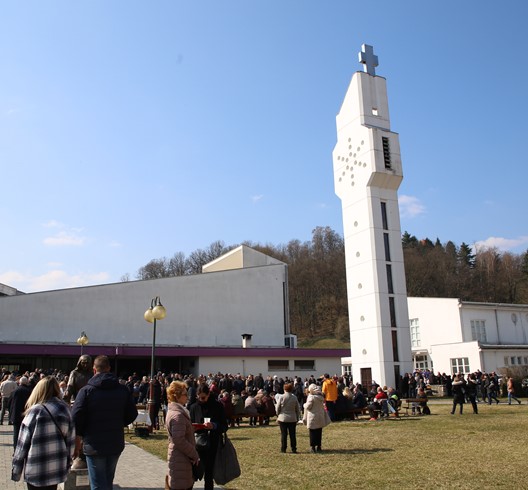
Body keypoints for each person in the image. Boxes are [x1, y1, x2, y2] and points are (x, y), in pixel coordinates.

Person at [71, 355, 138, 490]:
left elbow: (76, 416)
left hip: (93, 443)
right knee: (107, 480)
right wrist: (119, 423)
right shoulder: (122, 389)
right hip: (114, 441)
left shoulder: (86, 391)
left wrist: (81, 434)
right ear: (109, 369)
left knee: (97, 483)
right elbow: (132, 413)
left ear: (94, 370)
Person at [11, 376, 75, 490]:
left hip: (36, 469)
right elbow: (71, 441)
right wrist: (68, 464)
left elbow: (21, 446)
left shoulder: (34, 411)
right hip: (56, 468)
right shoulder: (66, 410)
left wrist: (16, 471)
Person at [189, 383, 228, 490]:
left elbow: (224, 426)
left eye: (203, 397)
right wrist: (193, 428)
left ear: (208, 394)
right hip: (197, 443)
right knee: (193, 472)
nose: (201, 400)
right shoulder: (193, 407)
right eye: (199, 397)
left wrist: (214, 426)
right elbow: (189, 425)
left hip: (212, 444)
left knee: (209, 473)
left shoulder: (217, 406)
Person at [166, 381, 200, 490]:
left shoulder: (176, 411)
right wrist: (194, 453)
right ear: (177, 396)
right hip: (180, 458)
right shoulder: (178, 415)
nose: (188, 397)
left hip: (180, 457)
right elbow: (179, 439)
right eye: (185, 394)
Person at [303, 383, 329, 453]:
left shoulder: (311, 397)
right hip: (320, 415)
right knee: (319, 431)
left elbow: (308, 406)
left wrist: (304, 405)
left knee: (312, 432)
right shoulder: (320, 396)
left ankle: (313, 447)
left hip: (313, 416)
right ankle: (319, 446)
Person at [276, 382, 301, 453]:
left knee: (284, 434)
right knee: (292, 434)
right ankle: (294, 448)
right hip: (292, 418)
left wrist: (278, 415)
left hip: (283, 418)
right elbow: (297, 409)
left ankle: (283, 448)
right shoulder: (294, 397)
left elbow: (277, 408)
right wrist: (297, 417)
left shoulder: (281, 397)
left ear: (284, 389)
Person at [9, 376, 32, 448]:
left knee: (16, 433)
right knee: (25, 433)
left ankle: (15, 449)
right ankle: (24, 448)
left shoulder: (14, 391)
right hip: (26, 415)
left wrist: (11, 413)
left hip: (15, 414)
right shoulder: (29, 391)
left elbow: (9, 403)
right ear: (27, 382)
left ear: (19, 382)